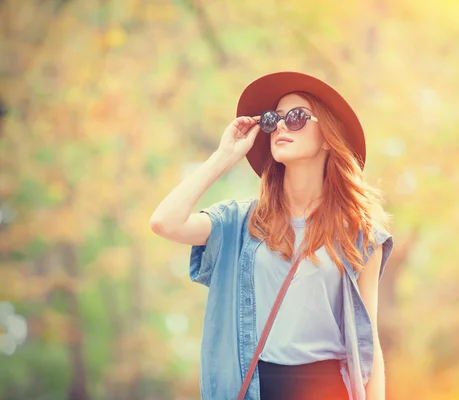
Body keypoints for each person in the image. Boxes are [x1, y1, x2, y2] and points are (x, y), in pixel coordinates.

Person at [150, 71, 394, 400]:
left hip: (328, 388)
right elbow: (164, 222)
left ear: (327, 136)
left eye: (295, 117)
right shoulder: (241, 222)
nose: (280, 126)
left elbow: (369, 343)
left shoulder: (359, 235)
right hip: (258, 387)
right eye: (272, 119)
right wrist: (223, 157)